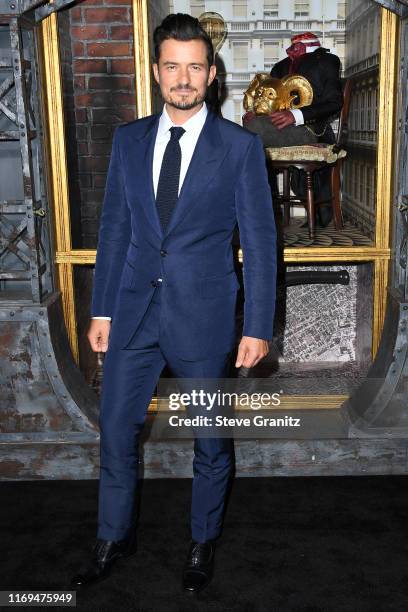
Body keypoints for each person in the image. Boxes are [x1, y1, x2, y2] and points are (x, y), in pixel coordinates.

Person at [71, 13, 277, 593]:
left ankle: (202, 542)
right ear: (157, 72)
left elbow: (261, 246)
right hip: (133, 312)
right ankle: (114, 536)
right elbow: (114, 228)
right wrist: (102, 310)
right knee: (115, 431)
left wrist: (257, 326)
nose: (182, 78)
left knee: (210, 438)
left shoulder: (239, 148)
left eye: (194, 67)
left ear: (211, 75)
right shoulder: (128, 139)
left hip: (205, 317)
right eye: (172, 66)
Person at [243, 32, 344, 227]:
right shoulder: (281, 66)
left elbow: (334, 102)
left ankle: (261, 213)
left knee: (250, 135)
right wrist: (257, 112)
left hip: (314, 129)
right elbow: (270, 101)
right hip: (280, 129)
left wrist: (296, 116)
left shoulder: (328, 60)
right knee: (251, 129)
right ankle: (263, 210)